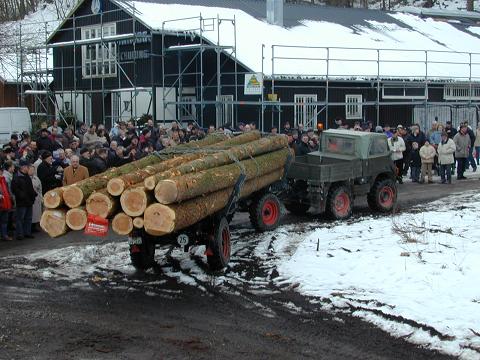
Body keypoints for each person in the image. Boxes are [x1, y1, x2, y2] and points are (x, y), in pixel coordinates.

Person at [11, 159, 37, 240]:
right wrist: (21, 195)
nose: (28, 168)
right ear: (23, 167)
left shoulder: (27, 176)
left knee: (28, 218)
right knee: (20, 218)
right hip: (21, 202)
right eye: (27, 167)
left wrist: (34, 194)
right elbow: (14, 189)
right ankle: (20, 234)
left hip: (29, 201)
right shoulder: (16, 177)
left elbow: (30, 188)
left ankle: (27, 233)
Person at [0, 165, 13, 241]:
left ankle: (4, 235)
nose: (1, 172)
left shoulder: (3, 180)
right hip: (1, 203)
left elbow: (7, 191)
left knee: (4, 221)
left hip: (5, 203)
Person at [28, 164, 42, 232]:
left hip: (37, 198)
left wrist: (41, 196)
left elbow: (40, 188)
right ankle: (29, 227)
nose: (32, 171)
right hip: (30, 198)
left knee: (36, 214)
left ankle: (34, 226)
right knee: (31, 214)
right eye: (31, 170)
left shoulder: (36, 178)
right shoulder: (26, 178)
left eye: (33, 170)